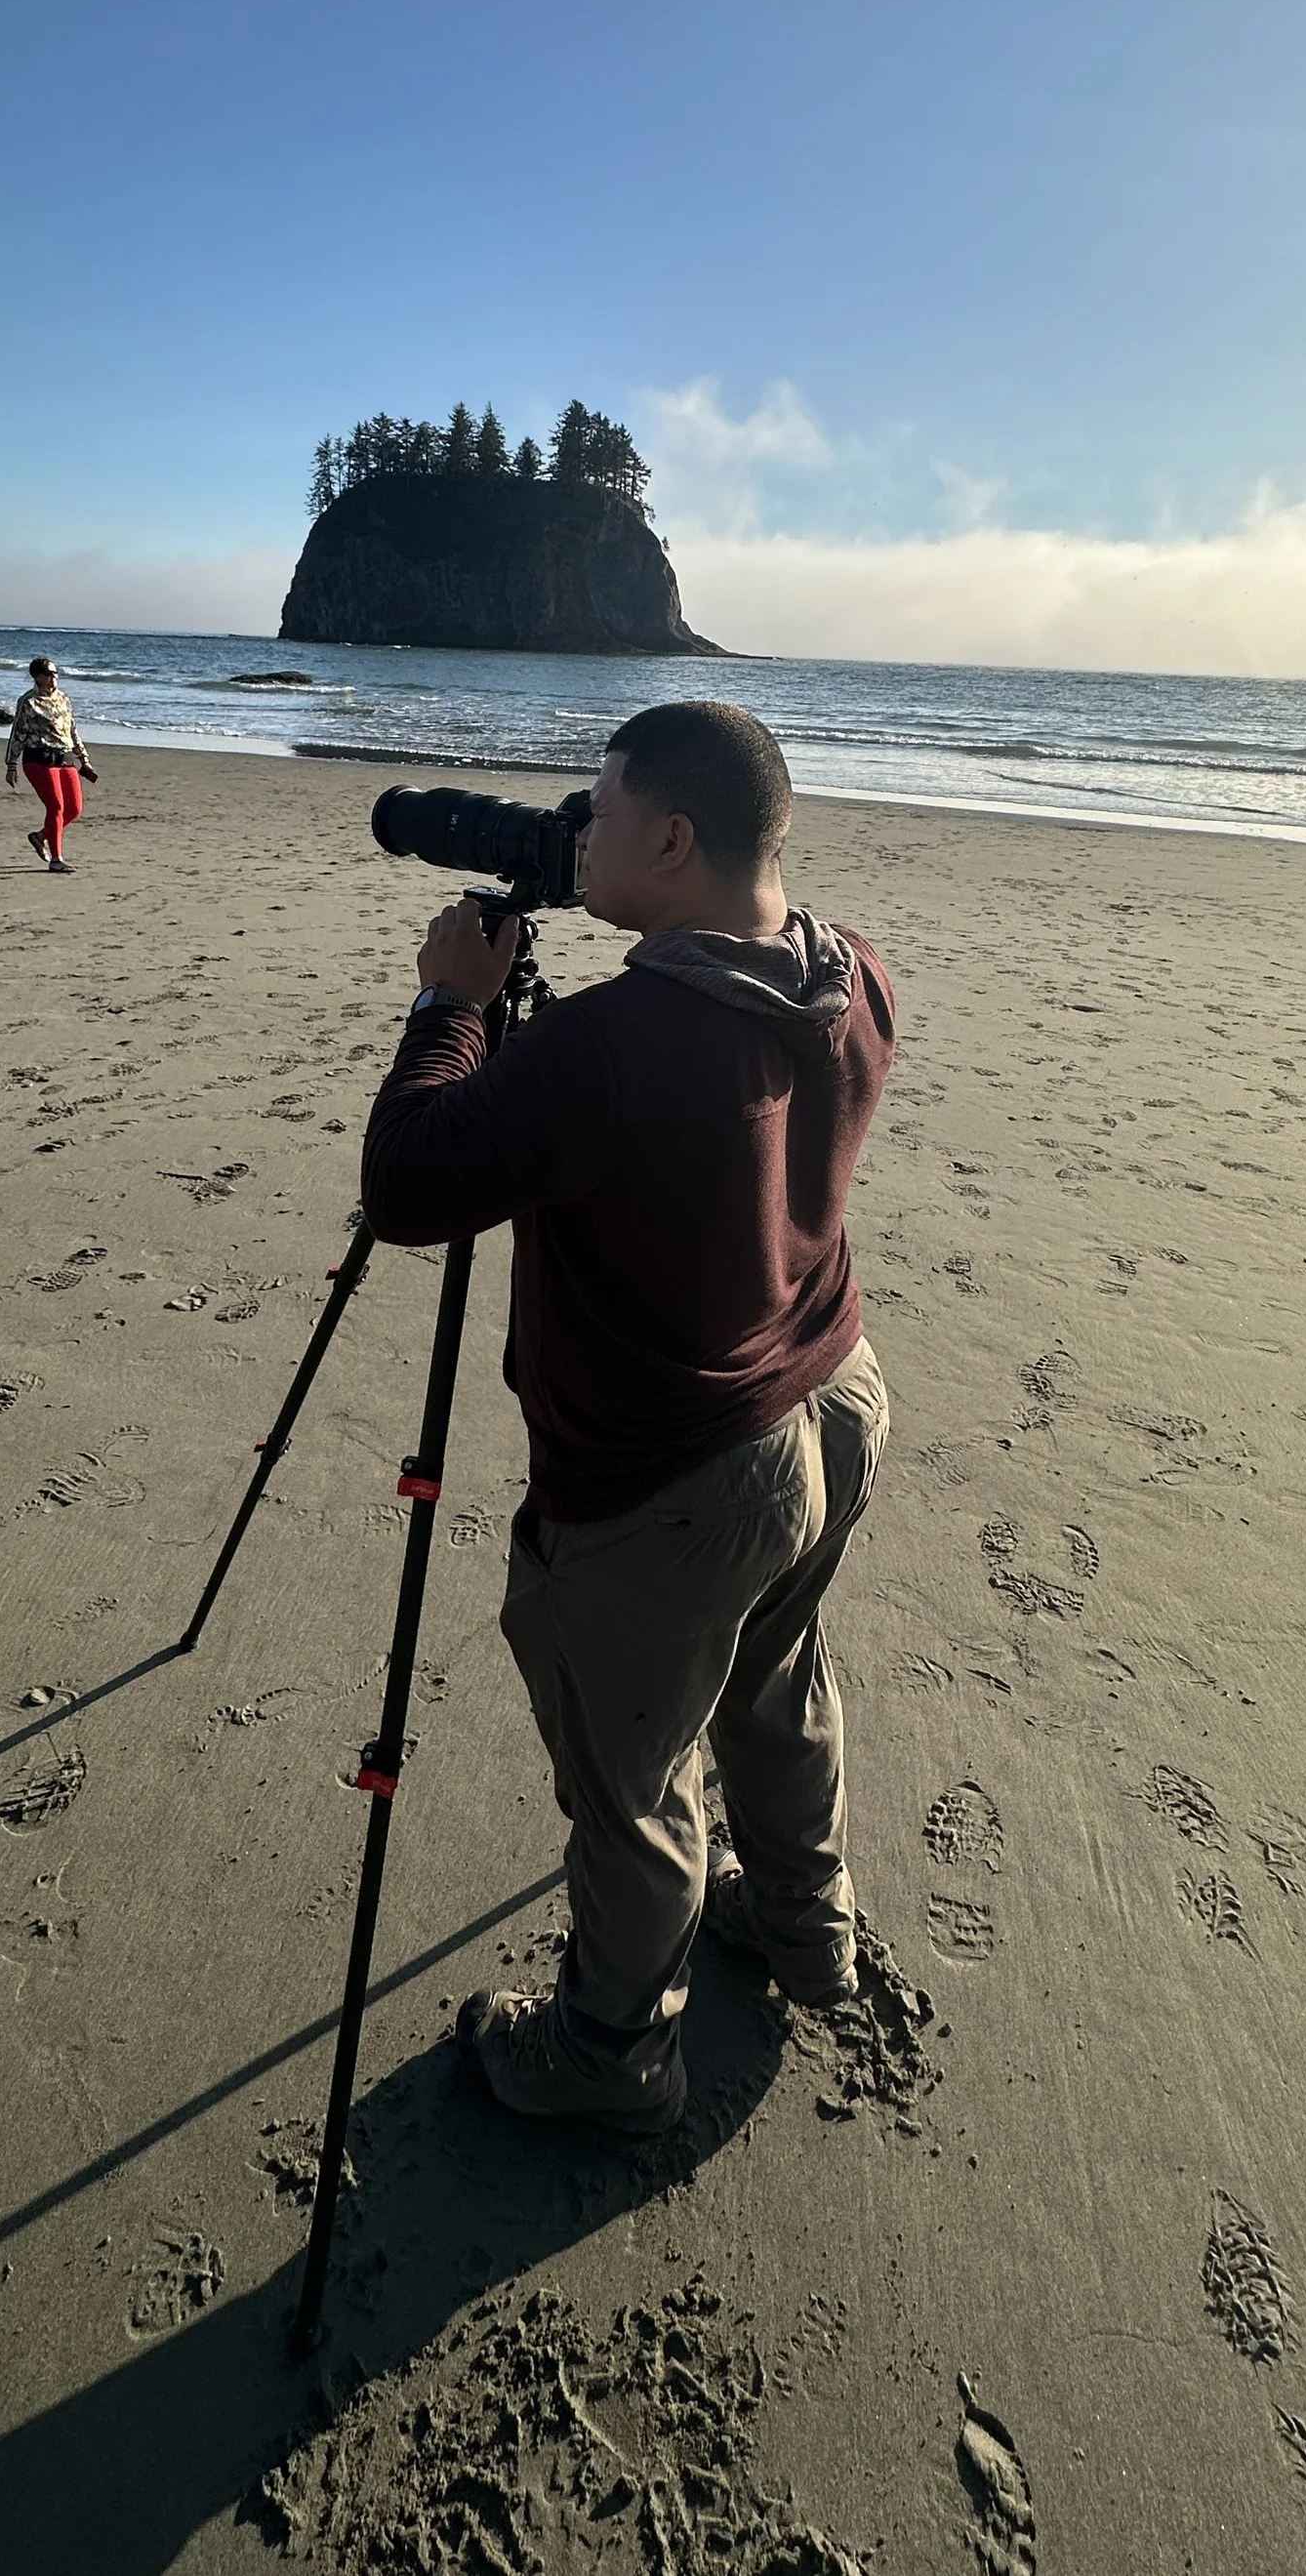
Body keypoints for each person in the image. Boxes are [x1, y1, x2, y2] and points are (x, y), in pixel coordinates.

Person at [360, 700, 896, 2134]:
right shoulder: (850, 978)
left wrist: (452, 1008)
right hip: (833, 1398)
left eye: (597, 809)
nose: (575, 832)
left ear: (672, 835)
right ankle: (804, 1924)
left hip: (676, 1475)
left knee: (632, 1772)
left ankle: (610, 2055)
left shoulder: (611, 1045)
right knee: (779, 1684)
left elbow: (410, 1187)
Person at [2, 654, 97, 872]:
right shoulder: (28, 701)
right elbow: (18, 733)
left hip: (64, 758)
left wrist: (84, 759)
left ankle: (40, 836)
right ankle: (56, 859)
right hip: (38, 759)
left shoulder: (64, 698)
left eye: (55, 673)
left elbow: (72, 730)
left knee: (74, 809)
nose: (54, 677)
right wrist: (11, 764)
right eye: (48, 674)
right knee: (56, 806)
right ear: (37, 676)